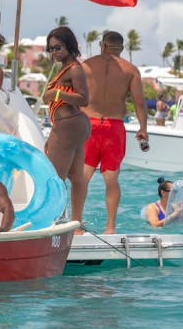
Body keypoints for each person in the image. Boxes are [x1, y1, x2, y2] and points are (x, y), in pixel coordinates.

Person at [80, 31, 148, 234]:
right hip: (114, 127)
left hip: (88, 125)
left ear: (102, 45)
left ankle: (76, 226)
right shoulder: (131, 70)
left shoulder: (86, 66)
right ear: (122, 48)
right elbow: (139, 103)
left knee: (82, 177)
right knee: (111, 180)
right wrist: (143, 129)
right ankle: (110, 228)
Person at [40, 27, 90, 231]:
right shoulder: (67, 68)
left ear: (69, 45)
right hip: (72, 125)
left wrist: (56, 94)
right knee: (76, 177)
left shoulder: (74, 69)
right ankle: (76, 225)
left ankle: (57, 223)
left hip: (68, 125)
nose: (54, 52)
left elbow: (84, 99)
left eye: (58, 47)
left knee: (54, 177)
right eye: (51, 49)